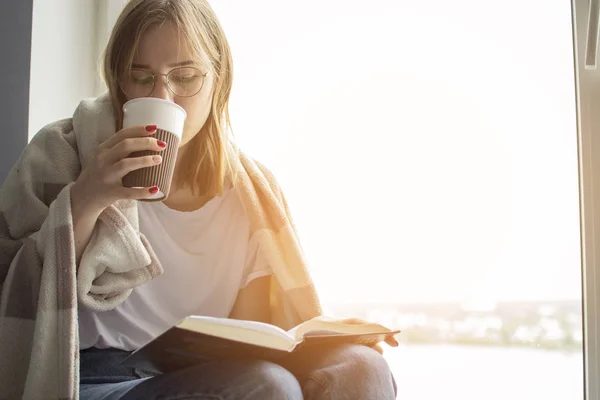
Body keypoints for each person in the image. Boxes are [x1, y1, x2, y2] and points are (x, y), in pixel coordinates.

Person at [0, 0, 397, 398]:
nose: (164, 97)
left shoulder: (252, 196)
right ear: (119, 81)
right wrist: (87, 197)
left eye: (185, 77)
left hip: (194, 372)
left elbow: (257, 337)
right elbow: (10, 295)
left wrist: (329, 342)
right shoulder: (64, 153)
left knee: (363, 369)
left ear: (218, 78)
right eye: (140, 78)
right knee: (268, 386)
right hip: (88, 375)